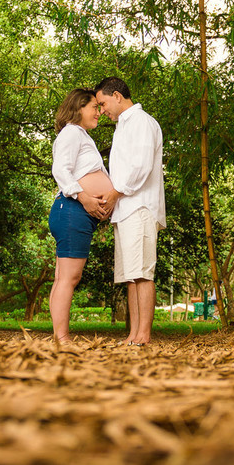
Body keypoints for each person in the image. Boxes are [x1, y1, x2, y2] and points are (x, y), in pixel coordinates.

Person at [94, 77, 165, 345]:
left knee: (142, 273)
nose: (102, 111)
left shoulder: (141, 122)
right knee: (131, 276)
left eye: (102, 103)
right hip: (125, 209)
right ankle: (134, 334)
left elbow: (141, 166)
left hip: (140, 205)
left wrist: (115, 192)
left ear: (117, 96)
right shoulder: (123, 126)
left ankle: (144, 335)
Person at [48, 88, 114, 343]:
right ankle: (62, 339)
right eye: (93, 107)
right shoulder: (72, 132)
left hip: (74, 213)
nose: (98, 112)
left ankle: (58, 337)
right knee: (69, 278)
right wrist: (85, 197)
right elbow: (60, 170)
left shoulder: (79, 135)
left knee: (62, 278)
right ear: (78, 108)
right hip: (73, 209)